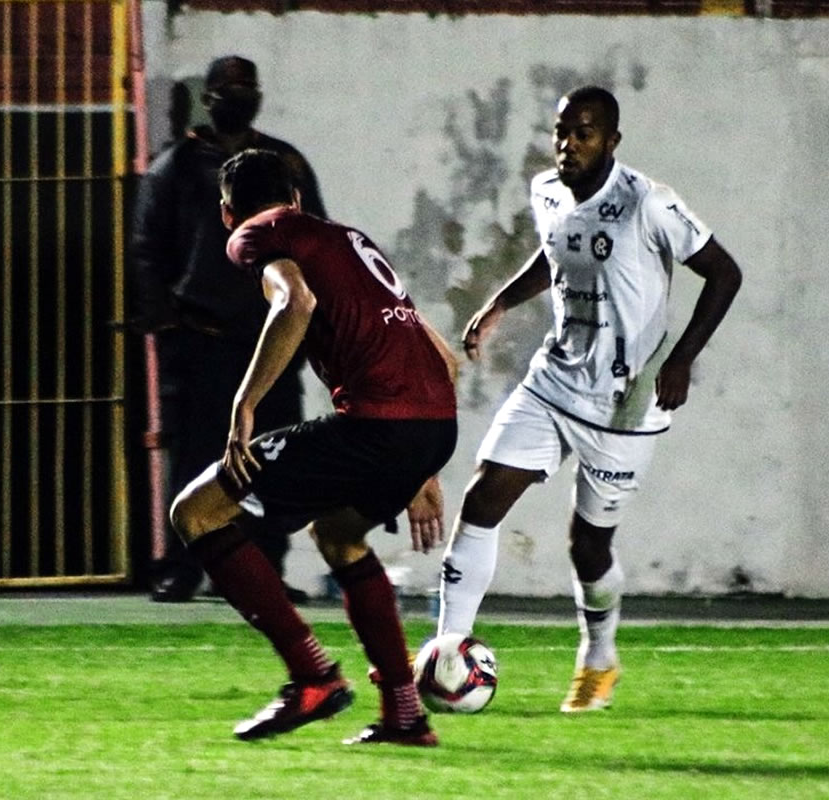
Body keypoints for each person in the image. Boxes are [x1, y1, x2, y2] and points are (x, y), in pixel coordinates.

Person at [436, 86, 742, 712]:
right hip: (554, 381)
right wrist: (498, 304)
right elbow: (556, 252)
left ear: (611, 140)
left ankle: (599, 657)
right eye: (562, 132)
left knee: (588, 545)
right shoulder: (547, 190)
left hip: (623, 405)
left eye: (584, 133)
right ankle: (446, 654)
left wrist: (681, 358)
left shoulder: (648, 202)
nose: (569, 144)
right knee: (483, 497)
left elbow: (724, 272)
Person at [168, 148, 458, 746]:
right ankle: (404, 713)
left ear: (227, 213)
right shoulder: (347, 239)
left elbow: (295, 302)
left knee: (196, 512)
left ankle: (313, 677)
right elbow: (444, 358)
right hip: (433, 423)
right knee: (339, 534)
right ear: (297, 198)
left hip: (378, 426)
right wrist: (421, 467)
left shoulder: (256, 234)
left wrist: (245, 403)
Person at [131, 55, 327, 602]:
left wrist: (308, 331)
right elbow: (147, 248)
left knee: (273, 456)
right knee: (196, 458)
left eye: (247, 87)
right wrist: (168, 320)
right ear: (208, 99)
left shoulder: (283, 163)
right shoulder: (177, 166)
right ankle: (184, 567)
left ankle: (264, 568)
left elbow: (316, 241)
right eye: (229, 88)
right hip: (202, 339)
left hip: (270, 338)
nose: (239, 96)